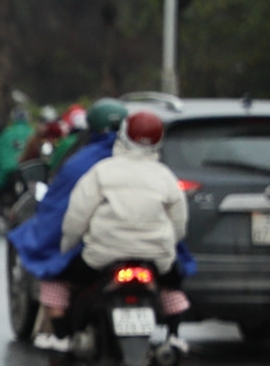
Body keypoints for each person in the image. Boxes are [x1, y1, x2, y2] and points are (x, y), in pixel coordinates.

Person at [38, 109, 190, 348]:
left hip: (102, 257)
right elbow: (179, 223)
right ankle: (174, 336)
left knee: (55, 281)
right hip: (156, 259)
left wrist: (67, 246)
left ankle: (61, 338)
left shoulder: (101, 171)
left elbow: (77, 216)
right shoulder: (165, 176)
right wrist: (169, 246)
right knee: (171, 286)